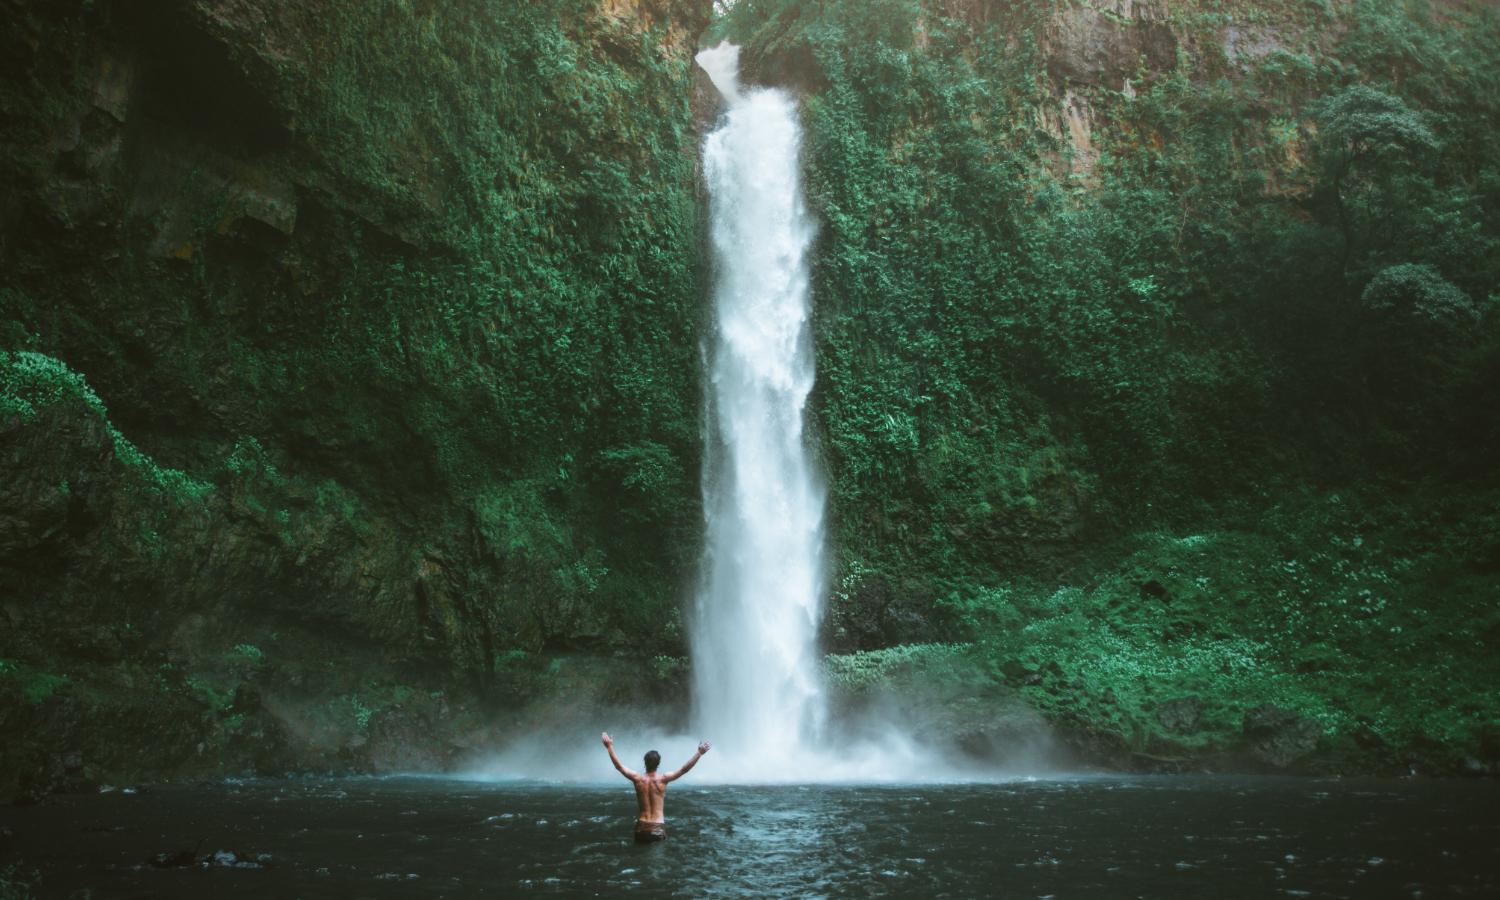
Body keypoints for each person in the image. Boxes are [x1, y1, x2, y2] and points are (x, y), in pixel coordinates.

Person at [601, 732, 710, 843]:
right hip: (657, 828)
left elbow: (619, 766)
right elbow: (684, 769)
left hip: (641, 828)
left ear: (644, 762)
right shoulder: (663, 779)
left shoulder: (637, 779)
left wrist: (609, 747)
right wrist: (699, 753)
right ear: (658, 763)